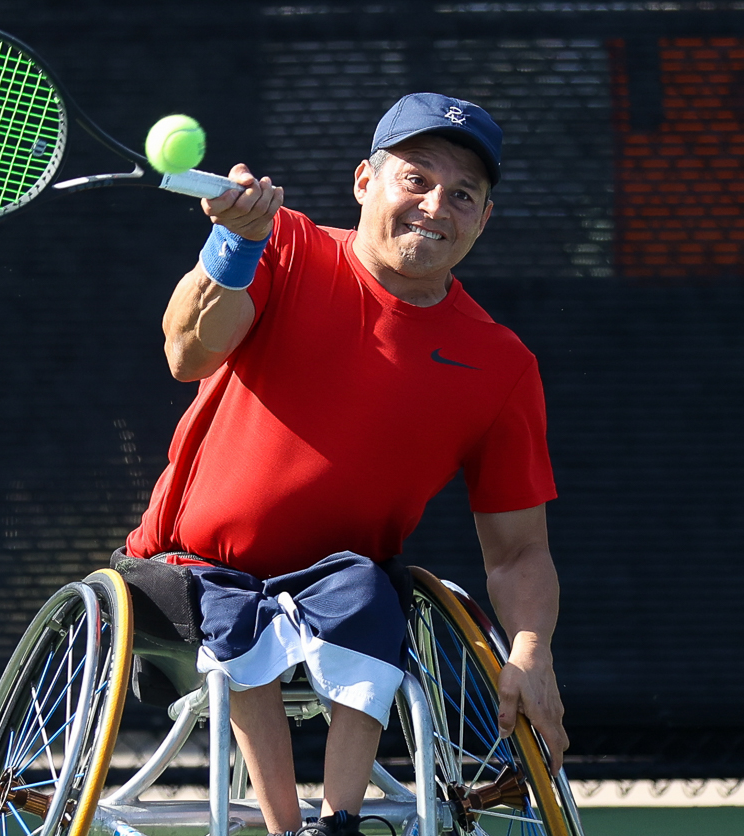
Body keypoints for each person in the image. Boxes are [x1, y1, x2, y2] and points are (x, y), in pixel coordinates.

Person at [122, 92, 568, 836]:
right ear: (365, 182)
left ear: (483, 220)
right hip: (191, 567)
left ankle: (339, 822)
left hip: (346, 584)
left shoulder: (502, 365)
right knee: (242, 618)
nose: (435, 206)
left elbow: (520, 549)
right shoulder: (284, 245)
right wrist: (236, 244)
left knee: (373, 594)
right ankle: (281, 829)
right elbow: (185, 352)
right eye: (415, 180)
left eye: (462, 194)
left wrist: (531, 650)